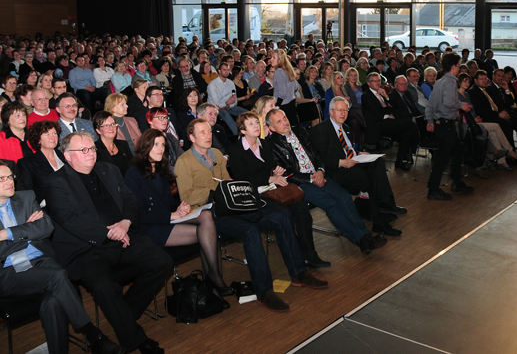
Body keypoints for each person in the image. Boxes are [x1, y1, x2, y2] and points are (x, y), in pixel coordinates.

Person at [174, 118, 327, 313]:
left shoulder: (217, 154)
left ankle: (299, 273)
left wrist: (231, 189)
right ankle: (264, 291)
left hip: (232, 203)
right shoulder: (184, 162)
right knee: (250, 231)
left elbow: (227, 180)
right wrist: (217, 192)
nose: (208, 135)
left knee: (281, 217)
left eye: (209, 131)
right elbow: (186, 197)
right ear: (191, 138)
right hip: (212, 211)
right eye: (202, 132)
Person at [43, 131, 172, 354]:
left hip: (123, 236)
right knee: (104, 286)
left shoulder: (108, 170)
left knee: (163, 262)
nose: (90, 153)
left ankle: (124, 316)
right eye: (83, 150)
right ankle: (136, 339)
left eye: (92, 148)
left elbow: (130, 199)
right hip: (87, 249)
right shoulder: (56, 182)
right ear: (67, 156)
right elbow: (70, 220)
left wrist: (125, 222)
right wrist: (109, 233)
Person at [0, 160, 125, 354]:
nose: (9, 182)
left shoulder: (25, 198)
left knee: (52, 302)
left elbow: (46, 227)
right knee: (58, 275)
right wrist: (28, 230)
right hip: (8, 272)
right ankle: (93, 336)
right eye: (2, 179)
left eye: (10, 176)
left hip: (40, 262)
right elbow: (34, 232)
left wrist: (8, 234)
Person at [124, 129, 232, 298]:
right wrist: (170, 215)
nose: (161, 149)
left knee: (206, 216)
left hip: (166, 220)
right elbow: (139, 212)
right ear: (145, 147)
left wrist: (179, 208)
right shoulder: (133, 174)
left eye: (163, 145)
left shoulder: (159, 169)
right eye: (156, 145)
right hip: (149, 228)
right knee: (205, 234)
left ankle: (213, 278)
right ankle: (213, 278)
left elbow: (167, 202)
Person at [266, 108, 387, 254]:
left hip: (318, 174)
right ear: (271, 128)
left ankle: (365, 236)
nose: (285, 122)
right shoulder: (271, 145)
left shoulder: (301, 131)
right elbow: (287, 173)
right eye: (279, 122)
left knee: (343, 196)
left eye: (285, 118)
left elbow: (317, 154)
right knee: (331, 204)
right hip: (301, 183)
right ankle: (361, 240)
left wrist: (321, 171)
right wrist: (311, 178)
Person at [228, 112, 329, 269]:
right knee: (286, 216)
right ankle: (299, 259)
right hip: (256, 194)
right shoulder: (236, 150)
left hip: (273, 188)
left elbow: (270, 167)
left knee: (302, 211)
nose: (256, 126)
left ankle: (311, 255)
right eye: (251, 124)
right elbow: (243, 180)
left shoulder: (263, 144)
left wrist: (276, 172)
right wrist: (269, 178)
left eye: (257, 122)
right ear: (242, 130)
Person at [310, 97, 406, 236]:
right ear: (331, 112)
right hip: (336, 170)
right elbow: (318, 158)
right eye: (339, 110)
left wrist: (360, 153)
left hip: (352, 163)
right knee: (372, 179)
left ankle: (382, 212)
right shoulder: (320, 130)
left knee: (377, 163)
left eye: (345, 110)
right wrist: (340, 162)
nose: (343, 113)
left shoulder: (347, 128)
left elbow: (349, 149)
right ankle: (382, 213)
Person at [424, 52, 475, 200]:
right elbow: (448, 102)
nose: (459, 68)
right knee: (442, 158)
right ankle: (433, 190)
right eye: (459, 65)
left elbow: (431, 104)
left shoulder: (440, 81)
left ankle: (456, 182)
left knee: (457, 151)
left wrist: (429, 121)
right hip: (446, 124)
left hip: (442, 124)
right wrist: (461, 105)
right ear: (454, 66)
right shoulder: (451, 82)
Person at [361, 72, 419, 172]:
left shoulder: (382, 93)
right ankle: (415, 145)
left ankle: (400, 160)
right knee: (408, 123)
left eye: (379, 80)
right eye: (374, 81)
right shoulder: (366, 96)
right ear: (368, 83)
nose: (378, 83)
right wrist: (388, 110)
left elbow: (395, 107)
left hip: (387, 122)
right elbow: (378, 113)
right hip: (378, 125)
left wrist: (386, 97)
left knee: (407, 132)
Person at [15, 120, 66, 203]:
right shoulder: (27, 163)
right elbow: (29, 193)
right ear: (38, 139)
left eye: (54, 133)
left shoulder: (65, 156)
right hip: (47, 206)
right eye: (47, 134)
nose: (53, 137)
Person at [207, 61, 247, 135]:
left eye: (228, 70)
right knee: (226, 115)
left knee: (246, 113)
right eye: (224, 70)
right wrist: (226, 103)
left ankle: (248, 131)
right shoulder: (212, 85)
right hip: (217, 108)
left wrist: (228, 105)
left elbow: (234, 100)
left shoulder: (230, 83)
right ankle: (238, 135)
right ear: (219, 71)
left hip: (229, 106)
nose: (226, 72)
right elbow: (216, 103)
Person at [93, 110, 133, 176]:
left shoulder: (123, 145)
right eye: (106, 126)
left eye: (113, 124)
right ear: (98, 130)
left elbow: (133, 167)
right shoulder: (95, 150)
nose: (111, 128)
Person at [272, 49, 300, 126]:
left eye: (273, 57)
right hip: (292, 102)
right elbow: (295, 87)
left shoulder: (279, 71)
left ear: (280, 60)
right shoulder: (289, 69)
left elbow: (282, 93)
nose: (271, 59)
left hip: (283, 105)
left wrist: (277, 106)